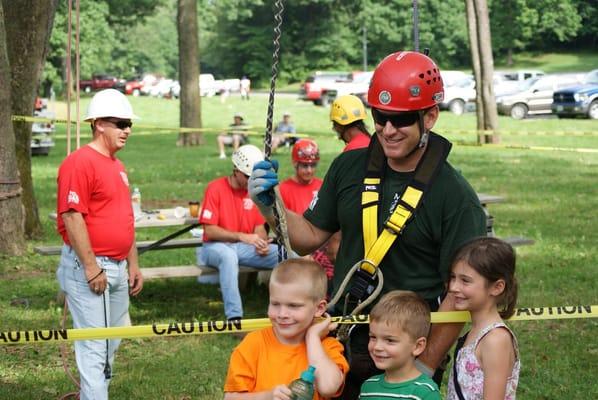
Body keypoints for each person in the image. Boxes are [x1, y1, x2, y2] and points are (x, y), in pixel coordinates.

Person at [249, 50, 487, 398]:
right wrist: (272, 208)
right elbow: (308, 237)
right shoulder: (349, 168)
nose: (388, 130)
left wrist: (425, 366)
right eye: (381, 116)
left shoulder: (455, 197)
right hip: (341, 339)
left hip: (406, 352)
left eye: (401, 119)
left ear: (431, 116)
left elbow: (460, 293)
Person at [55, 88, 144, 400]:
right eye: (120, 123)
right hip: (90, 268)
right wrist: (92, 268)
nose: (127, 130)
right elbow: (71, 215)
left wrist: (133, 263)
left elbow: (123, 218)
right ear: (99, 124)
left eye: (129, 123)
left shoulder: (117, 166)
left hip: (117, 266)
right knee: (95, 348)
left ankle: (91, 394)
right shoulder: (79, 162)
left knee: (111, 341)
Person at [223, 258, 349, 399]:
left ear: (319, 308)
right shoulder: (254, 343)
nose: (282, 314)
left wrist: (312, 337)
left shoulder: (328, 347)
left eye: (293, 306)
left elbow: (328, 388)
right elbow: (230, 398)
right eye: (275, 304)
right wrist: (268, 396)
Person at [197, 144, 279, 321]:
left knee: (287, 255)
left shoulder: (254, 193)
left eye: (254, 177)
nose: (252, 181)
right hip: (214, 247)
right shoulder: (215, 188)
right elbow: (209, 231)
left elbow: (259, 228)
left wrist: (261, 242)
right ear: (236, 170)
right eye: (248, 176)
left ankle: (290, 309)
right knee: (228, 256)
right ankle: (234, 319)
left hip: (244, 248)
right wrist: (241, 236)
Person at [446, 237, 520, 400]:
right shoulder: (475, 333)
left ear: (497, 287)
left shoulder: (495, 340)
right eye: (453, 277)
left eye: (465, 280)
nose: (453, 287)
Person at [360, 290, 441, 400]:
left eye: (389, 340)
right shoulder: (368, 387)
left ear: (418, 346)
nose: (377, 347)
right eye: (373, 337)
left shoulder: (425, 392)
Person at [278, 139, 333, 279]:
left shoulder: (323, 185)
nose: (309, 170)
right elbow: (282, 227)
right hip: (297, 243)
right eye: (304, 166)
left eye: (313, 165)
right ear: (295, 164)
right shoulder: (284, 189)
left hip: (322, 241)